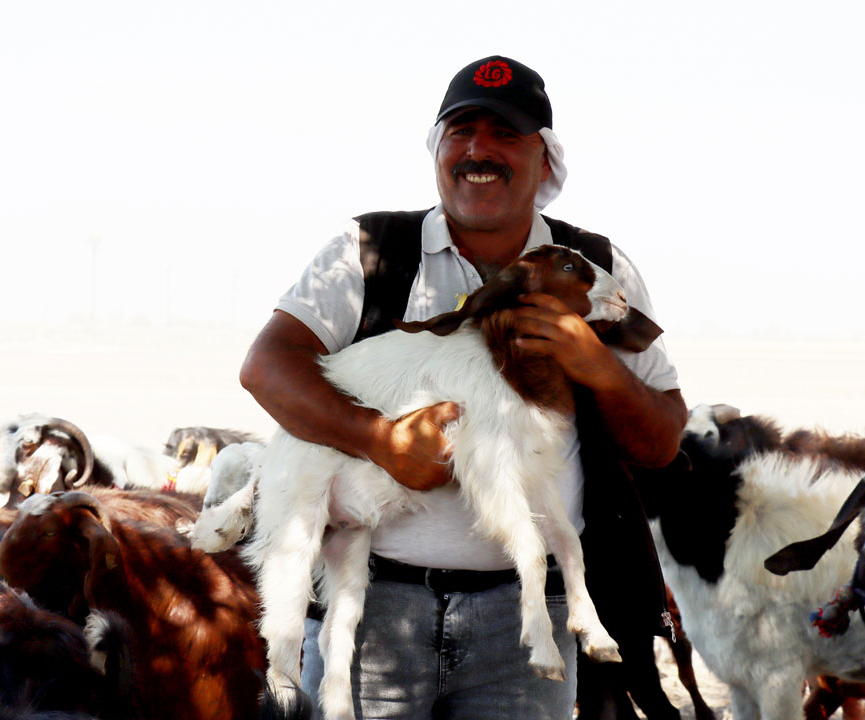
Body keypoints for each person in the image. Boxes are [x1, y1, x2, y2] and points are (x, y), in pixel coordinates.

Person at [238, 55, 688, 719]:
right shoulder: (367, 252)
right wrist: (380, 441)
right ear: (439, 149)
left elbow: (661, 441)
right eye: (461, 130)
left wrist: (597, 365)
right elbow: (267, 367)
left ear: (545, 162)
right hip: (371, 607)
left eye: (506, 134)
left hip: (526, 619)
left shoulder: (596, 269)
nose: (479, 150)